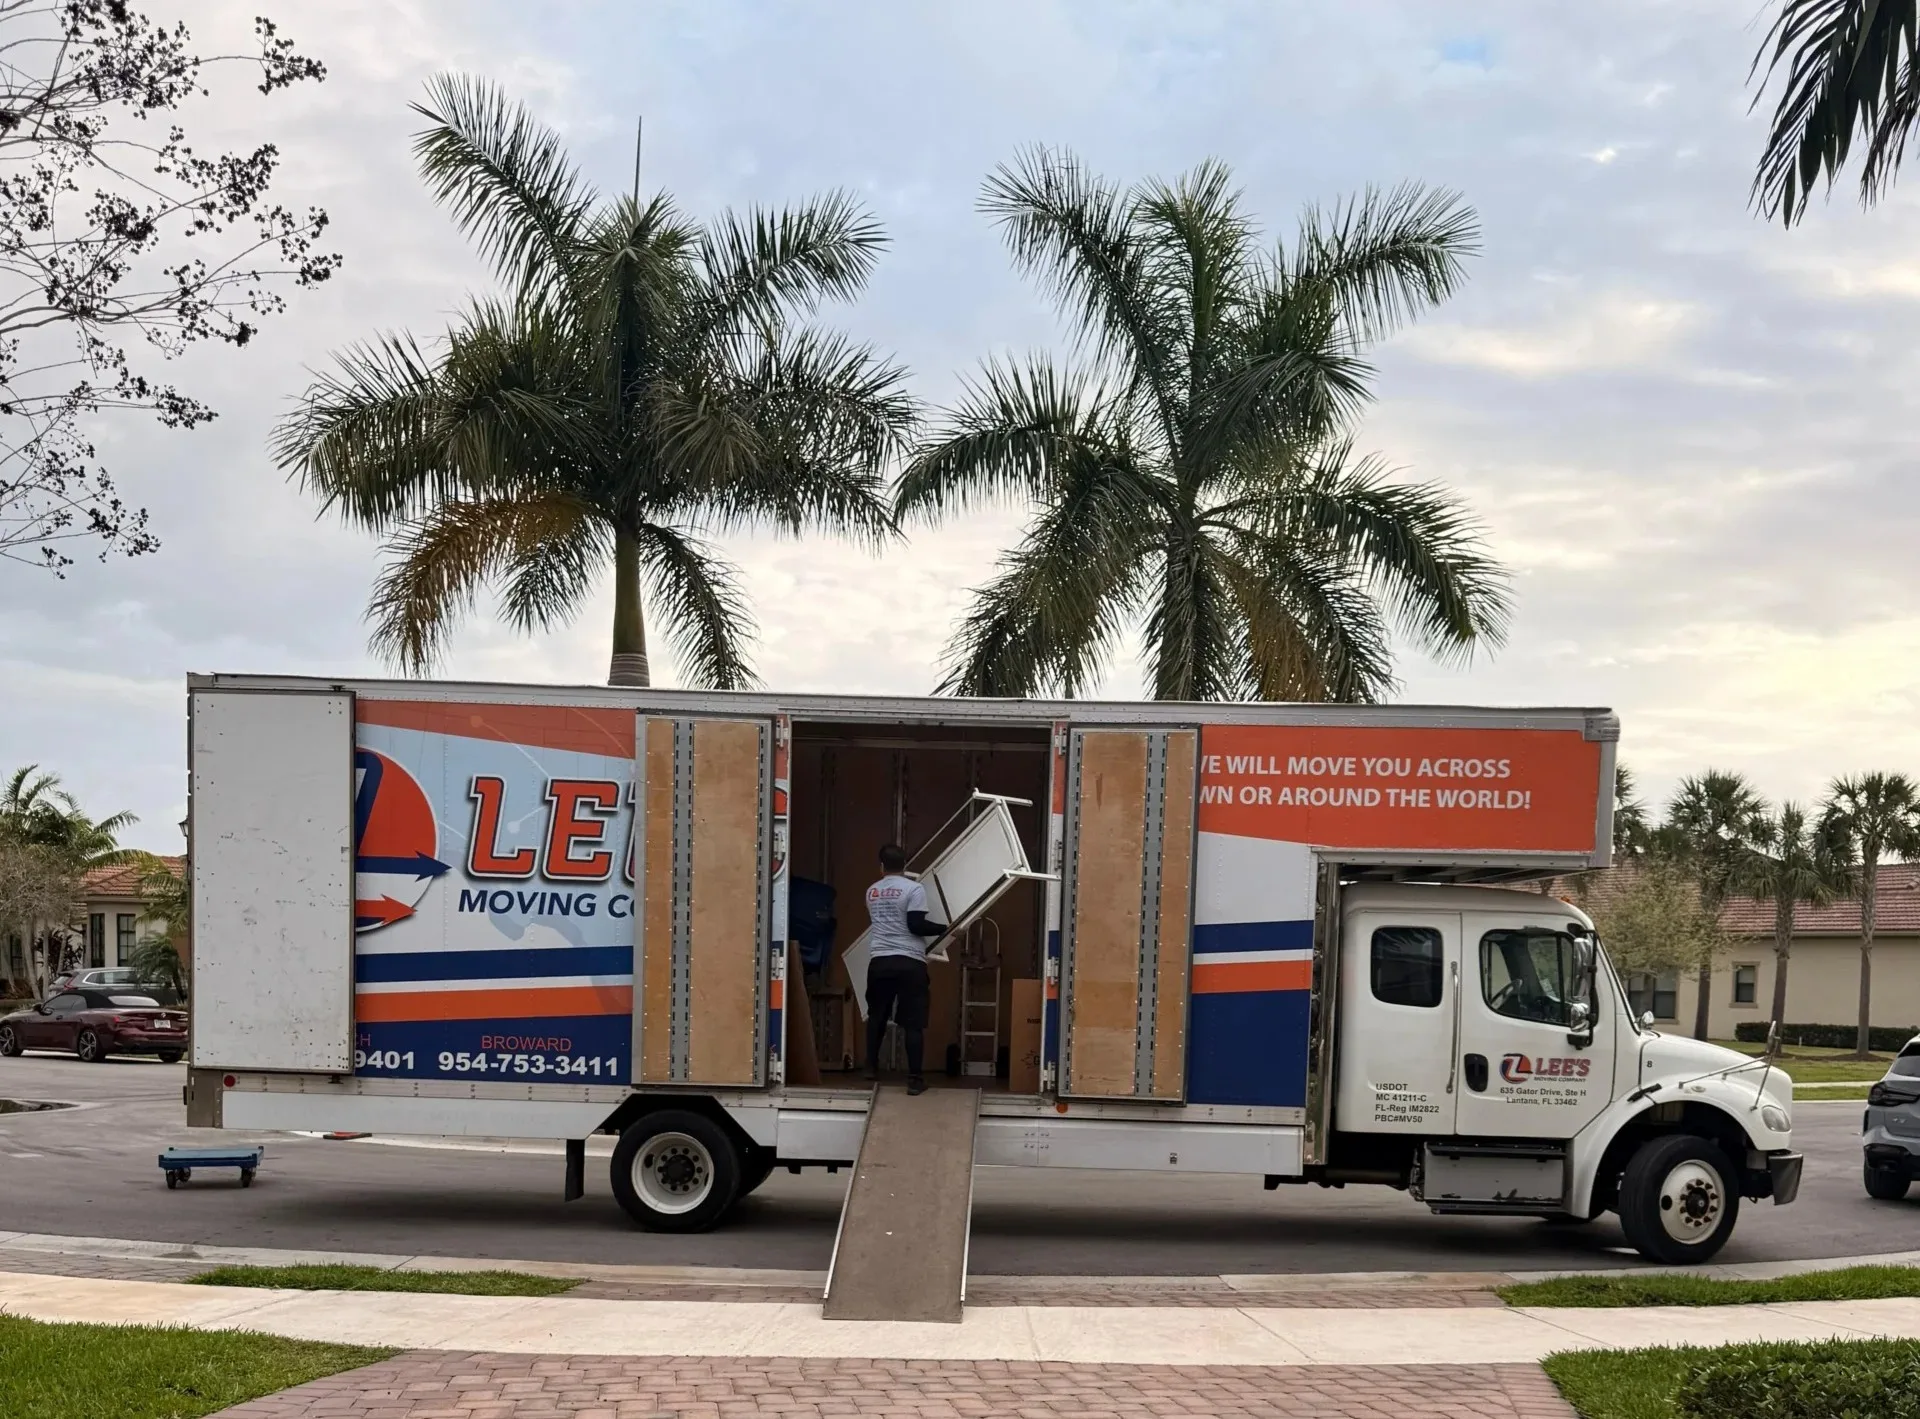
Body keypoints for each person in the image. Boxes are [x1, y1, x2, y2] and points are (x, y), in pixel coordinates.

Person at [863, 843, 947, 1095]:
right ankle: (914, 1080)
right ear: (905, 865)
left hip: (880, 961)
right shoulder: (914, 889)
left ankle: (870, 1067)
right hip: (909, 961)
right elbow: (915, 925)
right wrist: (945, 928)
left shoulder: (872, 892)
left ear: (881, 866)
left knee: (877, 1015)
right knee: (913, 1022)